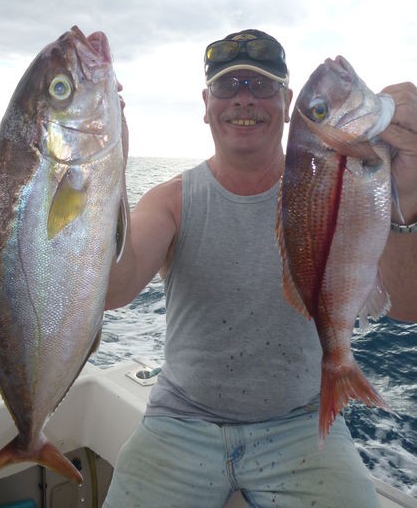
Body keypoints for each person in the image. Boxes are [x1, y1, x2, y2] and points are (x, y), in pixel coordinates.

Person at [103, 29, 417, 508]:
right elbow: (114, 291)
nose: (244, 99)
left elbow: (408, 307)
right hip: (180, 420)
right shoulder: (171, 201)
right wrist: (104, 171)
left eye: (263, 85)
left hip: (302, 422)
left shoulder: (350, 187)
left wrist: (408, 196)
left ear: (288, 103)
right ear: (206, 104)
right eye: (228, 86)